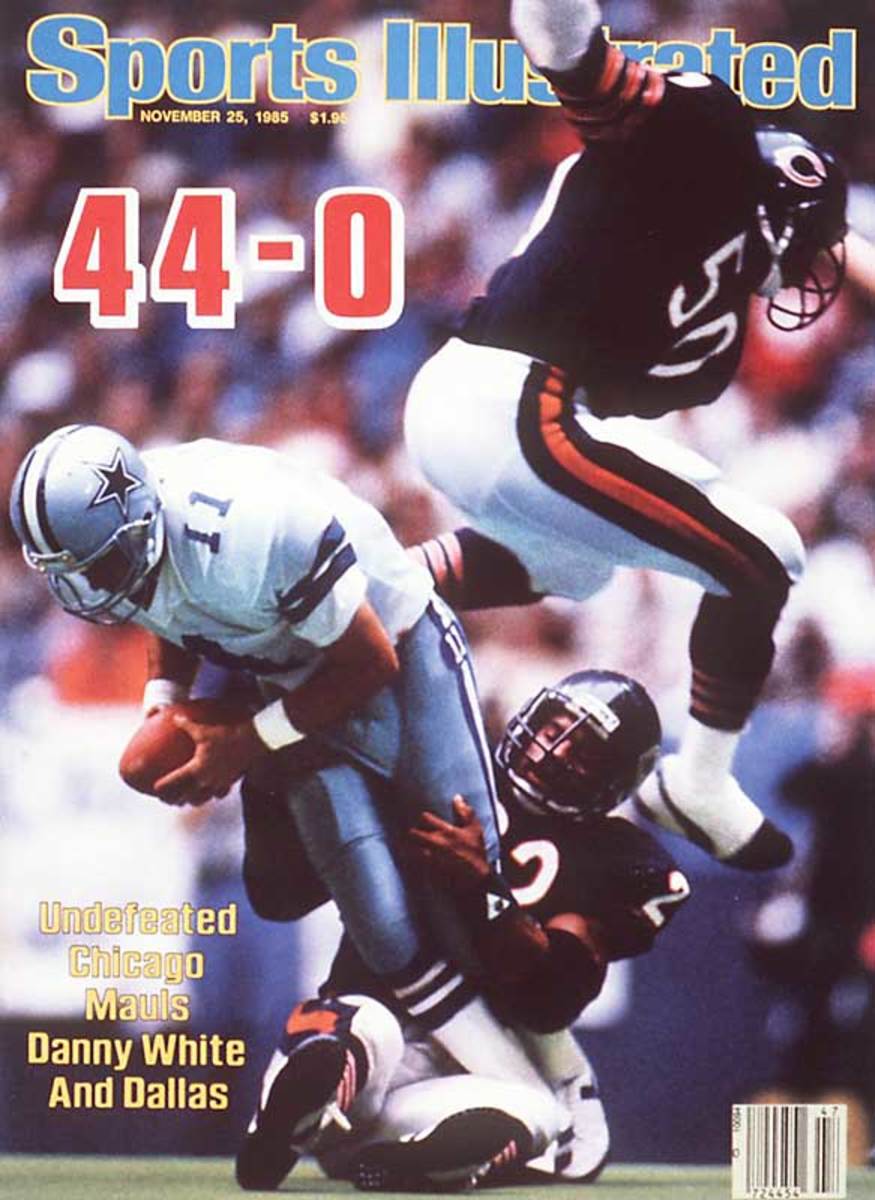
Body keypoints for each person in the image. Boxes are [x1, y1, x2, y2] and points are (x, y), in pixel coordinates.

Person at [403, 0, 849, 871]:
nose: (802, 272)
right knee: (762, 554)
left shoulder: (703, 321)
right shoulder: (708, 139)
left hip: (481, 409)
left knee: (578, 565)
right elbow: (566, 49)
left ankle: (364, 587)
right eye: (806, 243)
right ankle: (699, 781)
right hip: (509, 403)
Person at [8, 423, 549, 1081]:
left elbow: (370, 659)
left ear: (141, 524)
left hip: (399, 653)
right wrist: (166, 697)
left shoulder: (252, 535)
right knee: (376, 919)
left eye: (98, 565)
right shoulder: (143, 530)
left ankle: (558, 1077)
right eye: (75, 571)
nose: (90, 587)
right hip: (296, 680)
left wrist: (244, 742)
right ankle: (493, 1078)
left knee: (467, 869)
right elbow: (169, 604)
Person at [236, 669, 690, 1191]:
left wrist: (481, 889)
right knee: (362, 1031)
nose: (557, 752)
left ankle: (400, 1163)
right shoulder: (439, 772)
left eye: (583, 752)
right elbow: (279, 897)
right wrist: (265, 786)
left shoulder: (618, 861)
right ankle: (291, 1114)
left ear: (615, 780)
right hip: (370, 1033)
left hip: (457, 1078)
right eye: (554, 730)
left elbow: (550, 1002)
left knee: (532, 1118)